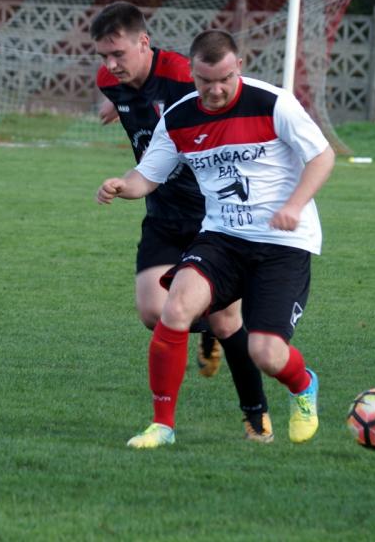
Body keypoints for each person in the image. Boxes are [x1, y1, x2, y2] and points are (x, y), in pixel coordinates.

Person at [96, 29, 336, 449]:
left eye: (225, 77)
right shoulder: (181, 116)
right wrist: (122, 185)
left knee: (266, 353)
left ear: (238, 66)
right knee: (175, 308)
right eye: (206, 80)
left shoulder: (273, 102)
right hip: (222, 237)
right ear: (193, 73)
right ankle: (162, 425)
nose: (217, 89)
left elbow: (322, 155)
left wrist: (295, 205)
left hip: (283, 244)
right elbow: (147, 176)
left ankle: (302, 384)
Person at [90, 2, 273, 442]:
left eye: (119, 54)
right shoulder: (109, 83)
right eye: (102, 56)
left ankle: (256, 415)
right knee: (153, 311)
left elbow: (225, 93)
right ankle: (203, 319)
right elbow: (135, 107)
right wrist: (117, 106)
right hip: (162, 211)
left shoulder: (181, 76)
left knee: (229, 323)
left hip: (214, 215)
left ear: (144, 42)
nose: (110, 65)